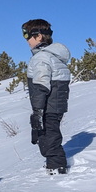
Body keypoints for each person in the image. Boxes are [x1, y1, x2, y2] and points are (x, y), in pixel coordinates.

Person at [22, 19, 71, 174]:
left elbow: (40, 86)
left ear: (39, 37)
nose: (26, 40)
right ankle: (54, 165)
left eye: (27, 35)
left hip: (48, 106)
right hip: (55, 105)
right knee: (49, 136)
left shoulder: (41, 58)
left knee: (48, 139)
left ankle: (57, 169)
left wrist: (37, 112)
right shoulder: (55, 57)